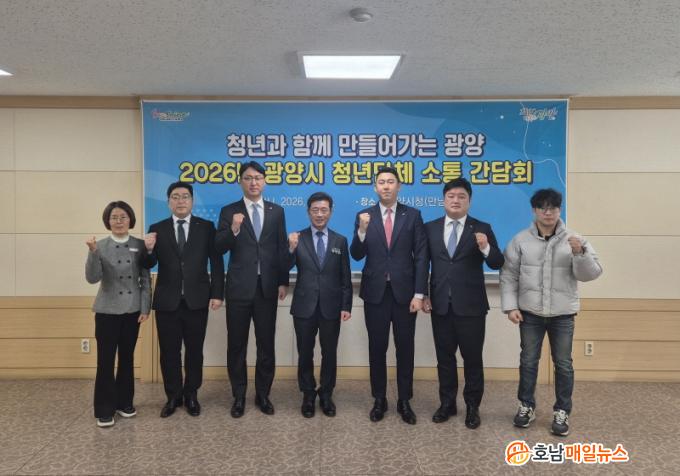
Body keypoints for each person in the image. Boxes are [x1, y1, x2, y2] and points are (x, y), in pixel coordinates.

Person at [500, 188, 603, 436]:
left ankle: (562, 411)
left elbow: (591, 274)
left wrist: (579, 253)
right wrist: (510, 306)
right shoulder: (520, 240)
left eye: (553, 207)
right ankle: (526, 406)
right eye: (543, 208)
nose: (548, 212)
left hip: (563, 314)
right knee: (528, 361)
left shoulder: (575, 239)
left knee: (564, 364)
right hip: (530, 314)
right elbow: (509, 275)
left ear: (560, 210)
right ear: (534, 210)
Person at [422, 178, 504, 429]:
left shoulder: (482, 228)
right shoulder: (430, 228)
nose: (456, 200)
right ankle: (447, 404)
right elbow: (422, 264)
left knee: (472, 359)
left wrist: (485, 247)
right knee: (445, 358)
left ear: (469, 200)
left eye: (461, 196)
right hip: (440, 305)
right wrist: (423, 294)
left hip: (471, 307)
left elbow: (497, 263)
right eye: (451, 196)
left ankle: (472, 407)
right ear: (443, 200)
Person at [350, 166, 428, 424]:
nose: (386, 186)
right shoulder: (364, 216)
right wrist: (361, 231)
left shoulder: (412, 215)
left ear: (399, 186)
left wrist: (419, 293)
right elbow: (356, 254)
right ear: (375, 187)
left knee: (405, 348)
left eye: (390, 181)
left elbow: (421, 257)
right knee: (377, 348)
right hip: (375, 294)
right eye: (381, 182)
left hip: (406, 295)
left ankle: (404, 400)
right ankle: (379, 399)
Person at [141, 182, 224, 418]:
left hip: (197, 300)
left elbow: (216, 262)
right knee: (169, 352)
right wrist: (148, 250)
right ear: (168, 202)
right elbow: (148, 264)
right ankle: (173, 396)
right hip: (167, 301)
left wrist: (217, 293)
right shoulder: (157, 228)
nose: (180, 201)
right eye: (175, 197)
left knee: (194, 351)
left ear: (192, 201)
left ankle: (191, 395)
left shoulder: (206, 227)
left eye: (185, 196)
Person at [215, 161, 289, 418]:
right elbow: (219, 246)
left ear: (265, 181)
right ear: (240, 182)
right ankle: (238, 396)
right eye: (248, 178)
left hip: (267, 288)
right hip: (239, 288)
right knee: (237, 344)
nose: (253, 182)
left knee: (266, 344)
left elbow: (281, 248)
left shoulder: (276, 211)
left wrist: (283, 281)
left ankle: (263, 394)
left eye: (258, 178)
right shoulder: (229, 211)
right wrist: (234, 229)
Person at [85, 201, 151, 428]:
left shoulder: (140, 245)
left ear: (130, 219)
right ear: (108, 221)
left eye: (123, 217)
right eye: (114, 217)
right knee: (105, 360)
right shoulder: (100, 246)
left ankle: (125, 403)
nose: (119, 221)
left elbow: (145, 280)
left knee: (127, 358)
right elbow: (92, 278)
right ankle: (104, 409)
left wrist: (145, 307)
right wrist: (92, 253)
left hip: (132, 310)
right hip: (107, 310)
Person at [288, 192, 352, 418]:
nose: (319, 214)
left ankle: (326, 393)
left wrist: (346, 306)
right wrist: (290, 248)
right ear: (308, 212)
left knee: (329, 352)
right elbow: (283, 267)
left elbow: (345, 277)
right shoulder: (297, 237)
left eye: (324, 210)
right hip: (304, 306)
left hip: (331, 307)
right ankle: (308, 394)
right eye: (315, 210)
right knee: (305, 352)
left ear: (331, 212)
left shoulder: (340, 241)